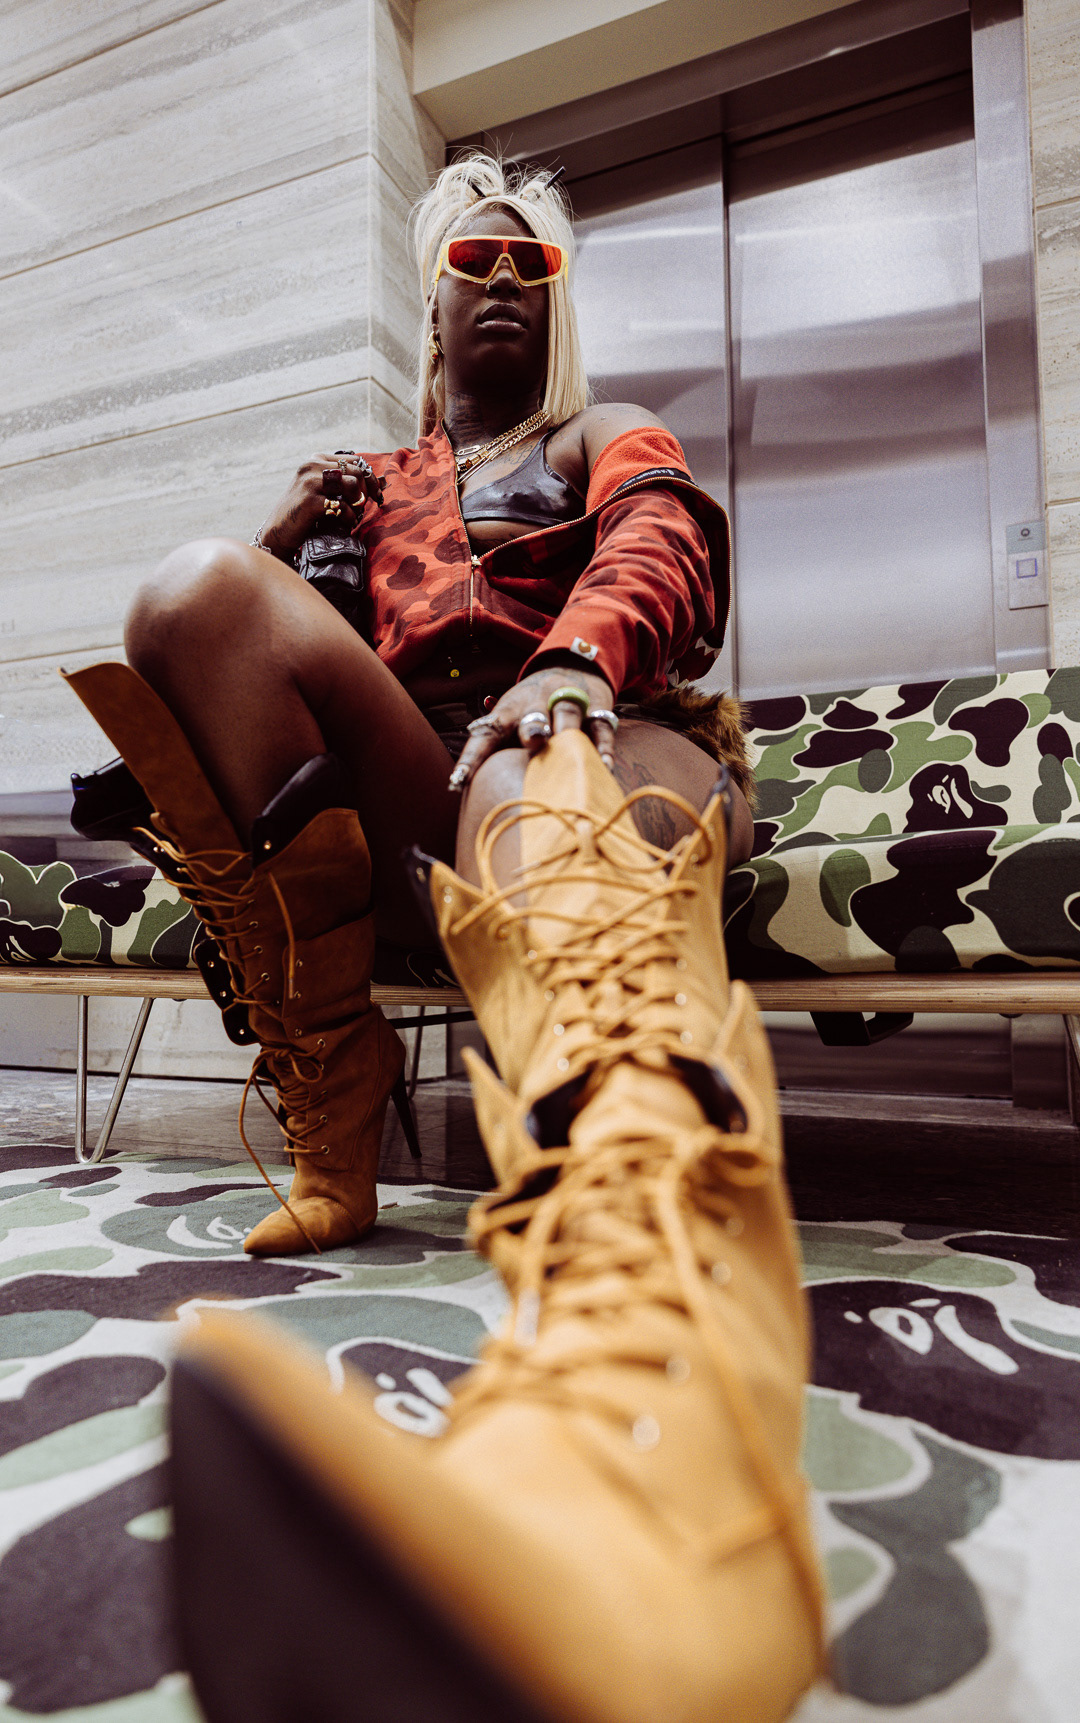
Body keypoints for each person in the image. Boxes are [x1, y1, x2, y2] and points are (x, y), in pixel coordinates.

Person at [69, 155, 823, 1720]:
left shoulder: (604, 434)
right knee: (194, 595)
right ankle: (334, 1095)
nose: (501, 280)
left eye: (530, 265)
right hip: (429, 795)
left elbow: (667, 540)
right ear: (428, 301)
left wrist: (575, 661)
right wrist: (294, 537)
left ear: (557, 303)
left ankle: (680, 1385)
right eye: (473, 259)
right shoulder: (374, 485)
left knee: (548, 775)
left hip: (609, 743)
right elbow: (245, 662)